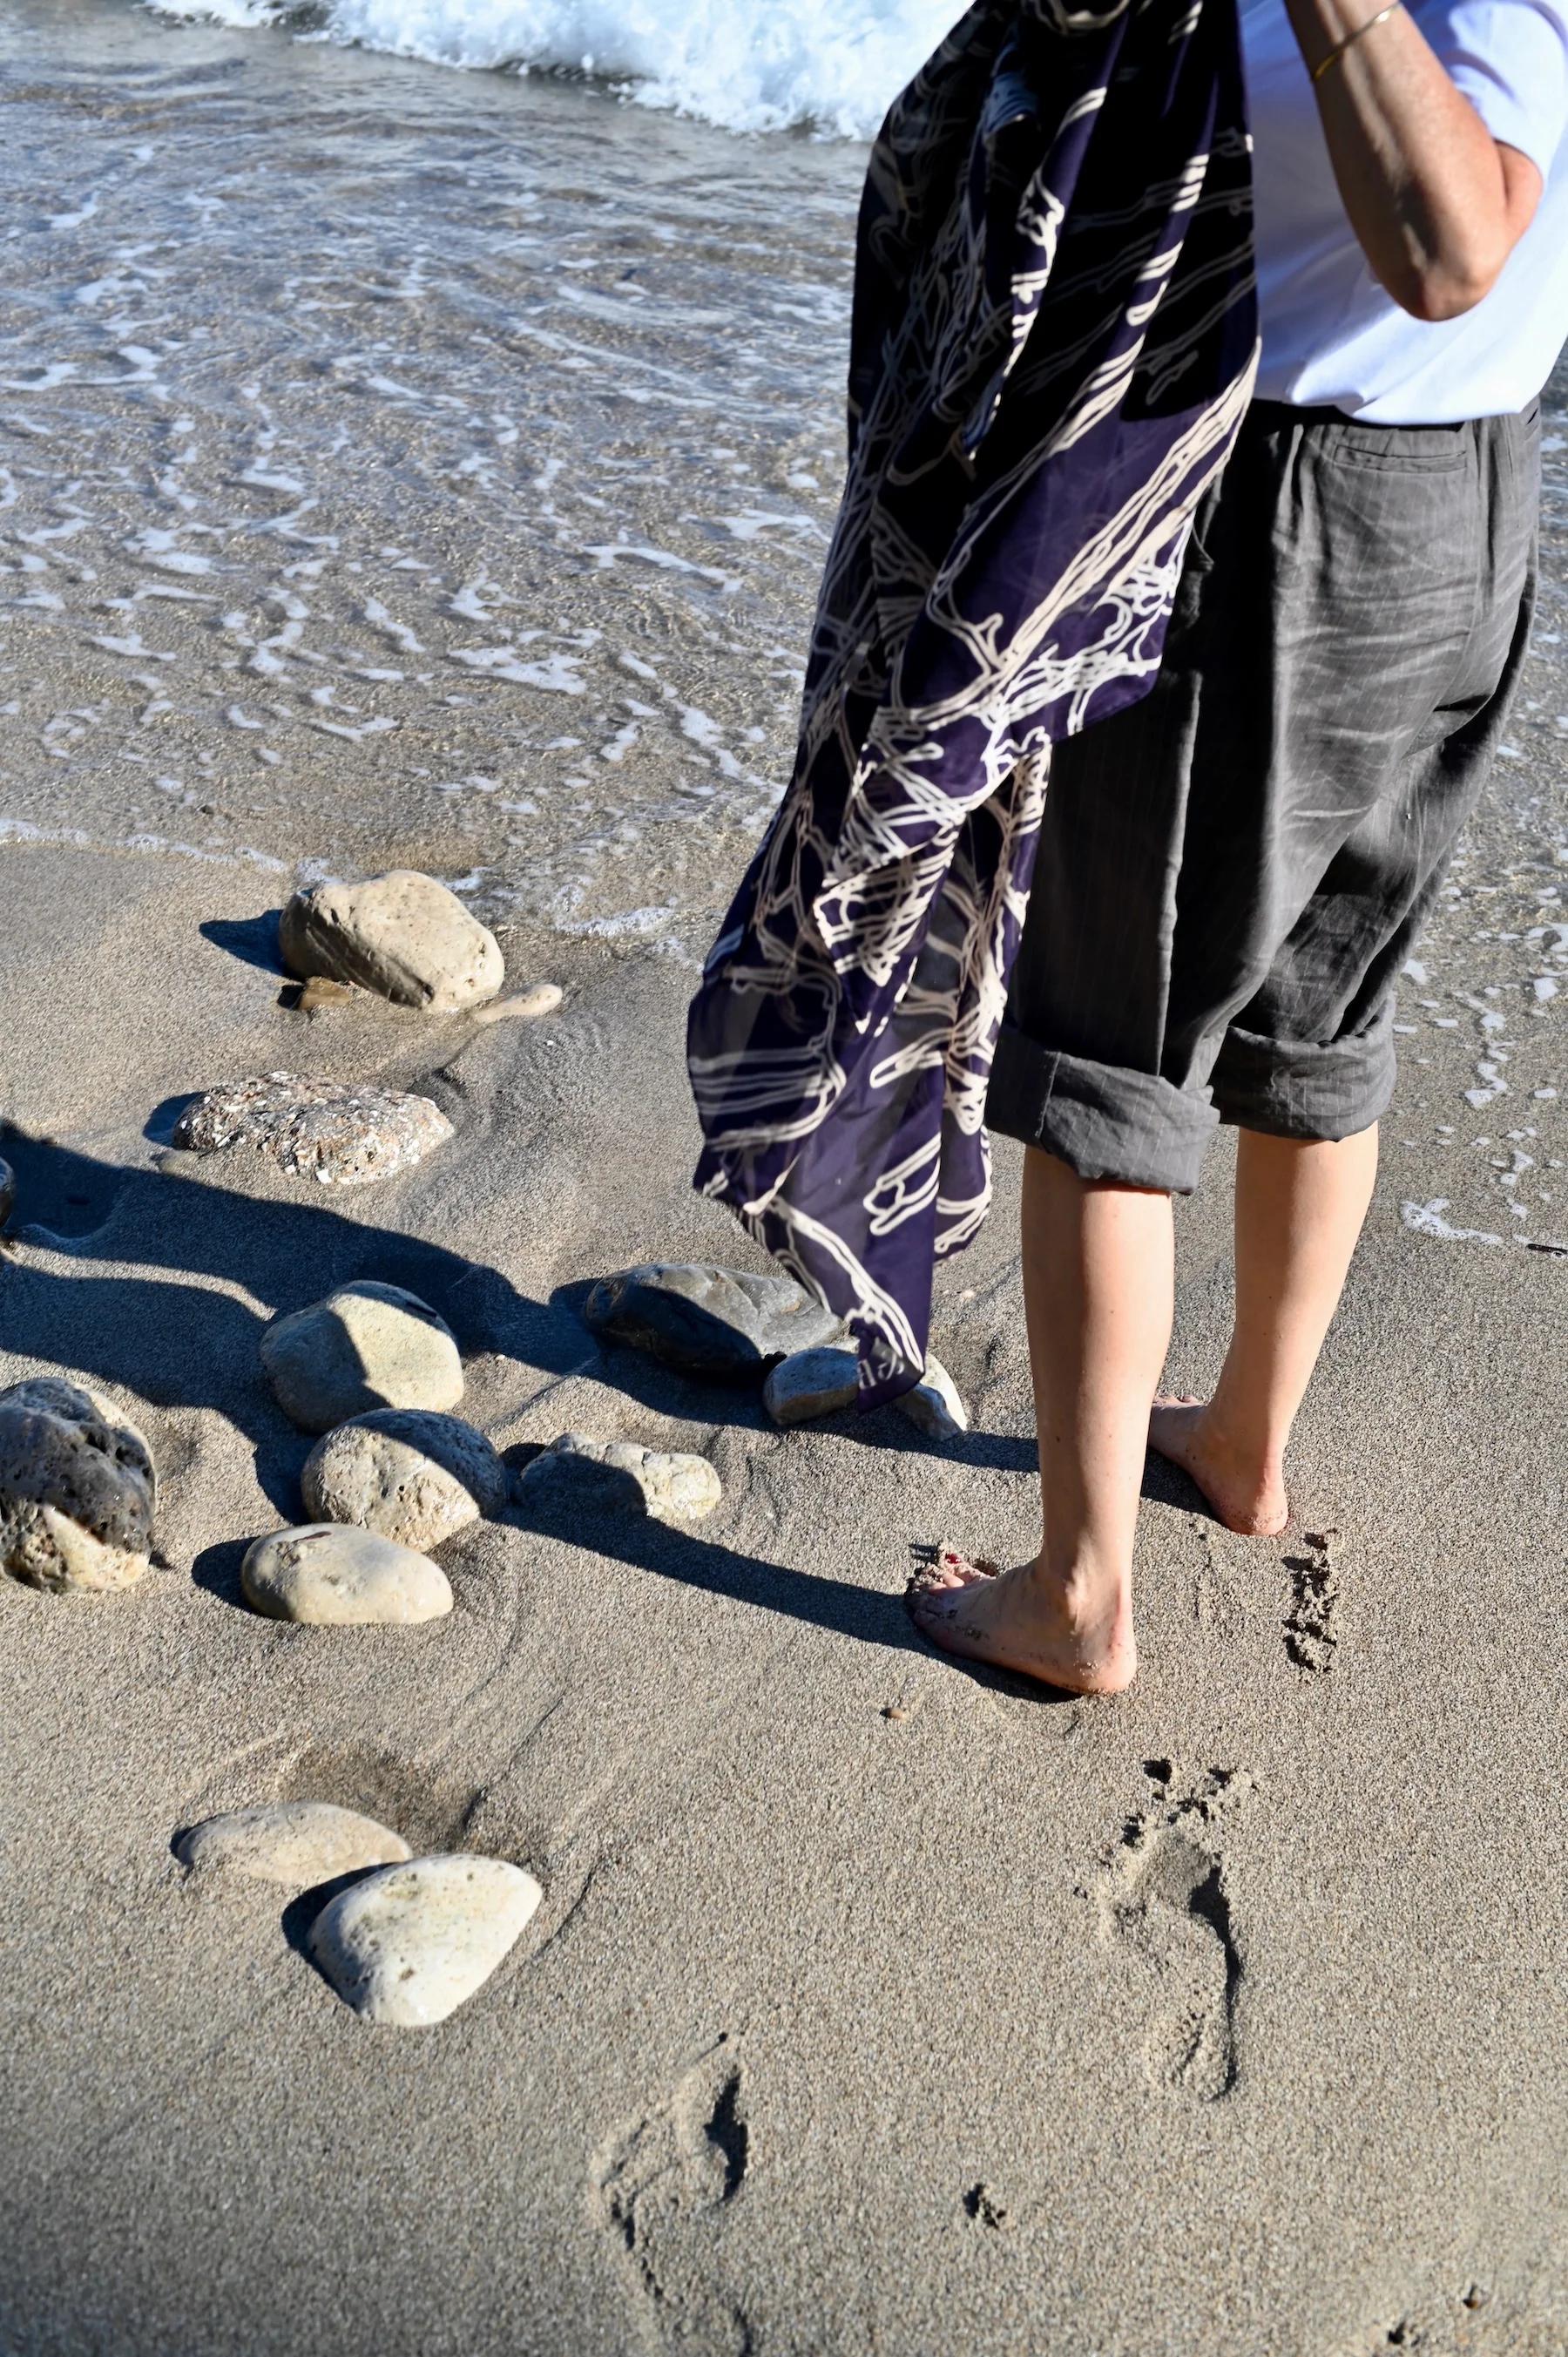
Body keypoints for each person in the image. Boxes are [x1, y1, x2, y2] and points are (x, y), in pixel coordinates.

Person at [907, 0, 1568, 1693]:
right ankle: (1244, 1444)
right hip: (1469, 497)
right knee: (1319, 1016)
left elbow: (1451, 244)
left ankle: (1075, 1596)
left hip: (1279, 508)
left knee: (1107, 1052)